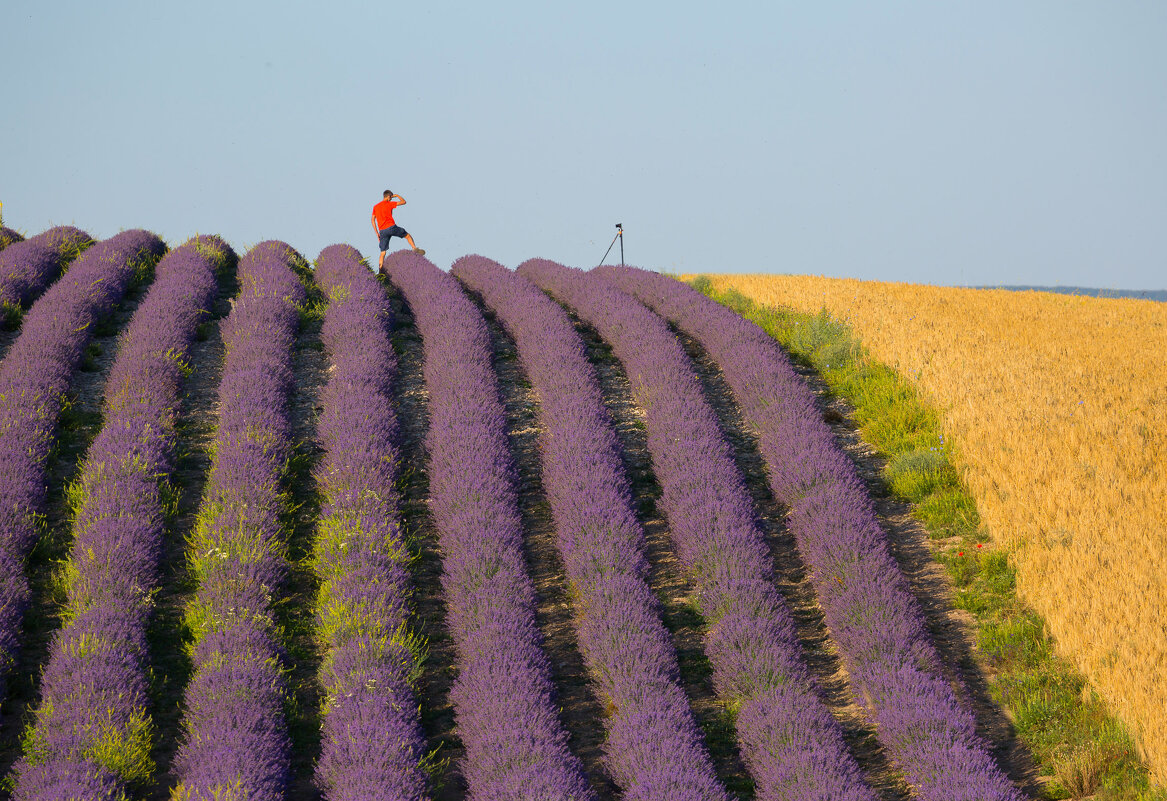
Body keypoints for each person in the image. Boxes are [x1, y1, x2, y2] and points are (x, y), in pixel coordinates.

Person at [372, 190, 424, 271]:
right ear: (389, 196)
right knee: (407, 235)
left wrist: (377, 233)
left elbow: (372, 220)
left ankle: (380, 270)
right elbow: (404, 202)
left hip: (382, 231)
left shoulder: (376, 207)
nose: (391, 199)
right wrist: (397, 195)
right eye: (391, 197)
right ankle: (414, 248)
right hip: (391, 227)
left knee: (382, 253)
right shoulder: (389, 203)